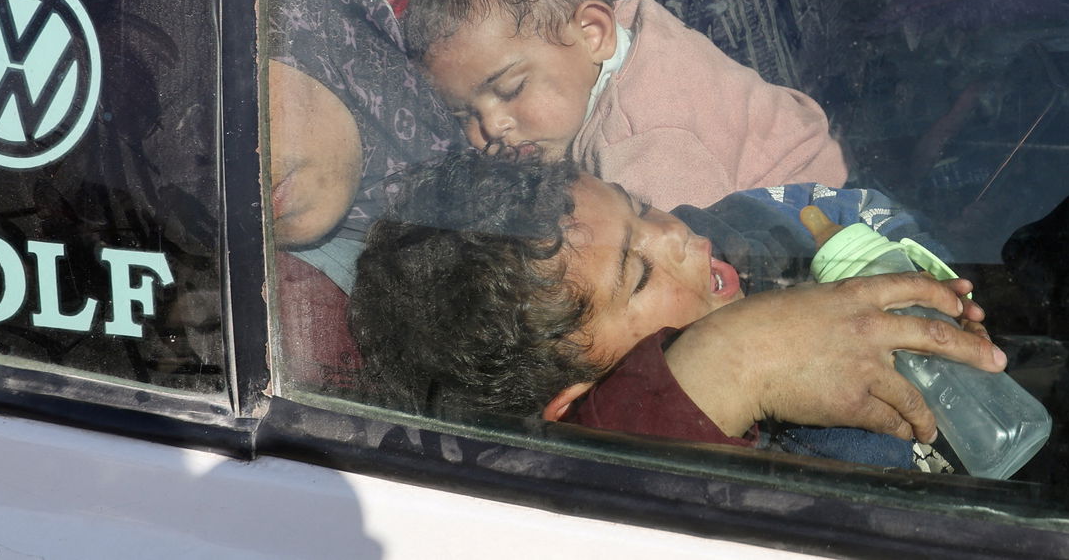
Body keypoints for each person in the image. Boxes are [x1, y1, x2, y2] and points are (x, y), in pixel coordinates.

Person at [348, 152, 1005, 465]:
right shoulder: (722, 477)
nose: (682, 238)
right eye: (637, 275)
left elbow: (853, 212)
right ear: (574, 401)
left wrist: (926, 278)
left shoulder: (752, 226)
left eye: (636, 205)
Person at [402, 0, 848, 212]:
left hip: (815, 228)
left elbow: (682, 256)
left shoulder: (639, 140)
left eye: (511, 88)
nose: (493, 126)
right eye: (464, 114)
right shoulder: (617, 32)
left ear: (594, 31)